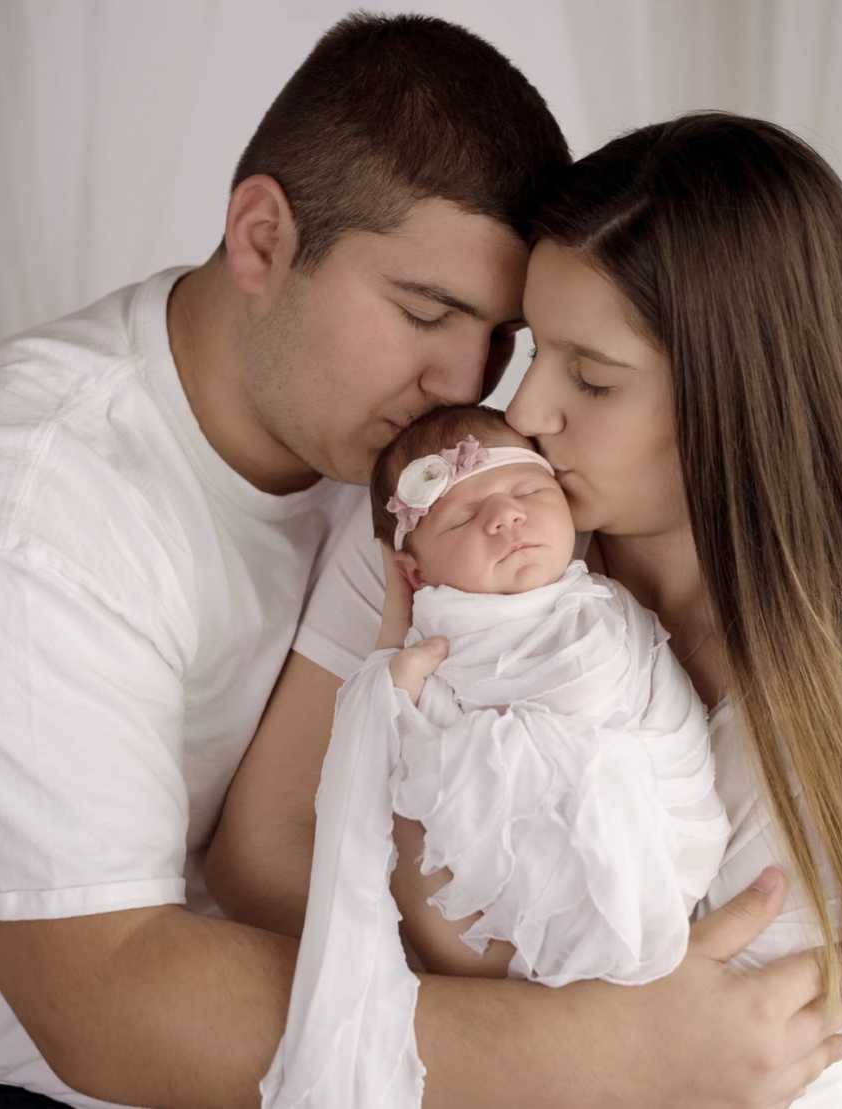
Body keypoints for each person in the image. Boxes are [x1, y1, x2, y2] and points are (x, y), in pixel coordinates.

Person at [0, 3, 842, 1102]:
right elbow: (110, 1001)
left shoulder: (465, 490)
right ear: (262, 238)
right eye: (424, 312)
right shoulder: (47, 507)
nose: (478, 391)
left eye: (499, 337)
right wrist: (600, 1044)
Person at [209, 112, 842, 1107]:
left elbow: (750, 1058)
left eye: (592, 375)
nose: (525, 412)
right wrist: (576, 1030)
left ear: (737, 399)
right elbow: (261, 850)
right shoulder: (449, 530)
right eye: (534, 348)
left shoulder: (839, 704)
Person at [260, 403, 732, 1107]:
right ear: (414, 573)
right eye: (462, 518)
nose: (505, 519)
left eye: (529, 494)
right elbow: (405, 755)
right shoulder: (437, 640)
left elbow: (625, 698)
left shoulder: (601, 610)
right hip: (506, 925)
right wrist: (406, 684)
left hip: (662, 848)